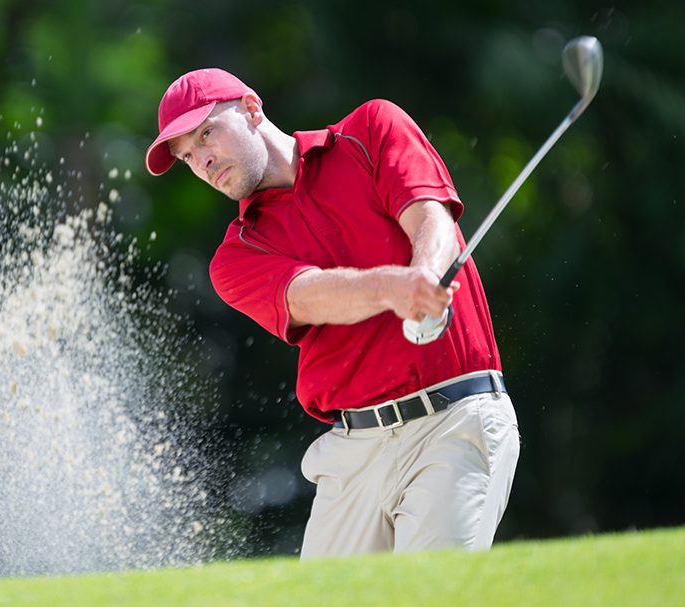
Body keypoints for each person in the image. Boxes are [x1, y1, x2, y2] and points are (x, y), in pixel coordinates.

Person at [145, 68, 520, 557]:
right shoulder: (236, 255)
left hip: (454, 422)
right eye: (187, 156)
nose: (203, 160)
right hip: (353, 452)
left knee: (431, 597)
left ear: (252, 109)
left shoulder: (371, 130)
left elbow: (431, 218)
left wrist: (425, 277)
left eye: (206, 133)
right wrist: (393, 287)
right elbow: (307, 295)